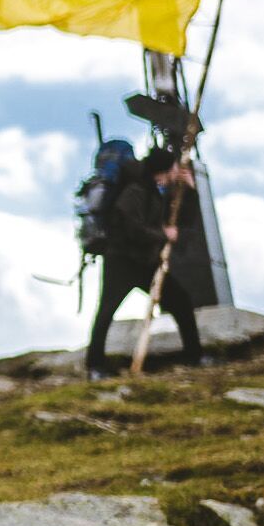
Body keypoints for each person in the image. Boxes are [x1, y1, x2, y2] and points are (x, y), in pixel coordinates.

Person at [85, 150, 206, 377]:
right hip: (121, 262)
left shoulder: (157, 192)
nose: (175, 172)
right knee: (106, 311)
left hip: (144, 262)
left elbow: (184, 221)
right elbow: (131, 228)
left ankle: (195, 356)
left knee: (180, 301)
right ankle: (95, 367)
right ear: (164, 170)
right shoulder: (136, 191)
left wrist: (190, 189)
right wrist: (163, 234)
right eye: (173, 168)